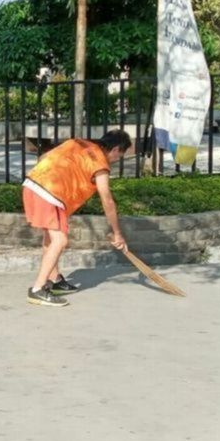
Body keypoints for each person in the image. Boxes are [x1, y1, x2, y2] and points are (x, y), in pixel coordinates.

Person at [23, 129, 132, 307]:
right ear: (116, 149)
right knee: (60, 241)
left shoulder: (77, 143)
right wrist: (117, 233)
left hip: (33, 183)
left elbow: (45, 157)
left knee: (50, 239)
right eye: (119, 156)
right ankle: (38, 289)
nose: (116, 160)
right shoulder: (100, 163)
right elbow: (107, 199)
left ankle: (55, 279)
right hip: (50, 193)